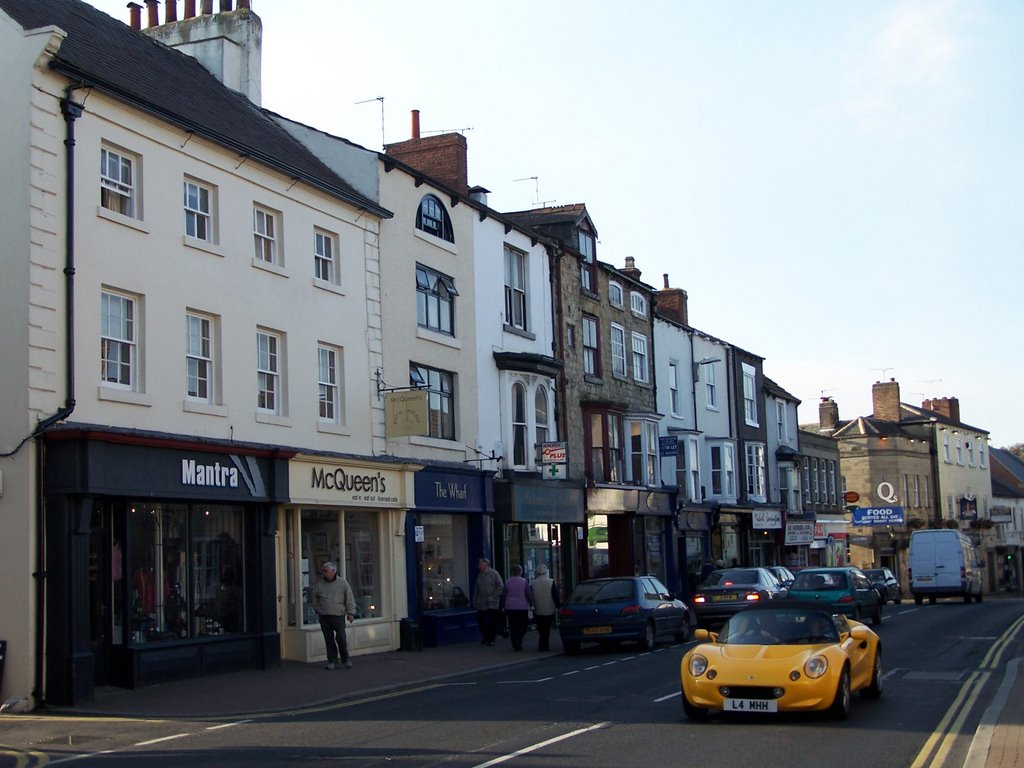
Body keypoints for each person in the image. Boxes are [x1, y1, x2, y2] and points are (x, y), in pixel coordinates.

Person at [310, 561, 356, 670]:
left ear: (333, 571)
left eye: (326, 571)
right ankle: (332, 661)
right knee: (329, 639)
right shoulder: (320, 584)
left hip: (338, 615)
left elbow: (349, 598)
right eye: (323, 571)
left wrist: (351, 613)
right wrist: (318, 609)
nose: (324, 573)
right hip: (324, 616)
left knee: (340, 637)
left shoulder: (342, 583)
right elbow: (314, 598)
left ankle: (345, 659)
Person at [502, 564, 533, 651]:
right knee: (523, 626)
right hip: (522, 607)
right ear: (520, 572)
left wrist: (503, 606)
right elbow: (528, 594)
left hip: (510, 607)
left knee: (513, 626)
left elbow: (504, 595)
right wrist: (531, 604)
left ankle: (514, 643)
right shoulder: (524, 581)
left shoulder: (507, 582)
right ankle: (518, 641)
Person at [473, 557, 504, 646]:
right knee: (481, 620)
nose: (478, 566)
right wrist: (475, 599)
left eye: (480, 564)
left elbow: (500, 586)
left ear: (485, 564)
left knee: (491, 621)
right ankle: (485, 636)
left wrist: (493, 597)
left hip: (492, 603)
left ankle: (491, 639)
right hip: (481, 602)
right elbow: (477, 589)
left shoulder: (494, 573)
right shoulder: (480, 575)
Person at [531, 564, 561, 652]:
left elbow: (531, 596)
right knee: (547, 628)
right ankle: (545, 645)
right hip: (549, 609)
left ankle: (542, 644)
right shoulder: (551, 582)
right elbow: (555, 595)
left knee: (540, 627)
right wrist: (558, 606)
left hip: (538, 608)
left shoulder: (533, 583)